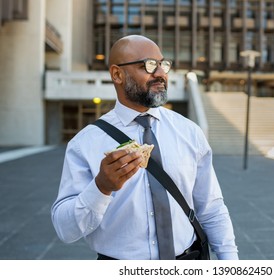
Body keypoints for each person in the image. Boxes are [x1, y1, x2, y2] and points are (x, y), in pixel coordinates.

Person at [51, 35, 238, 260]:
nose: (160, 73)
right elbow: (65, 230)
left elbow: (212, 208)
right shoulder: (84, 144)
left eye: (163, 64)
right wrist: (101, 187)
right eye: (149, 65)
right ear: (117, 74)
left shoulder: (190, 133)